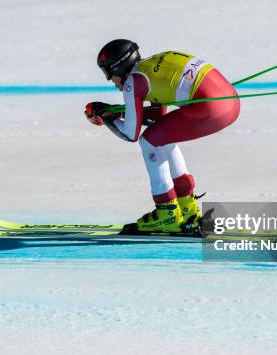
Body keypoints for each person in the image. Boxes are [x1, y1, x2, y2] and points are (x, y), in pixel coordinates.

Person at [85, 39, 240, 233]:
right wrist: (116, 113)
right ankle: (188, 209)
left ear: (118, 67)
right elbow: (157, 118)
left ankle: (167, 212)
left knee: (148, 141)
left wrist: (105, 117)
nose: (110, 80)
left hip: (210, 109)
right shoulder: (151, 67)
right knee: (161, 136)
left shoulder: (134, 81)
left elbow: (130, 134)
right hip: (230, 103)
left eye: (108, 73)